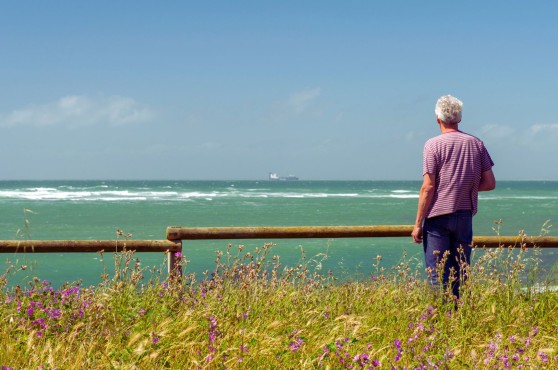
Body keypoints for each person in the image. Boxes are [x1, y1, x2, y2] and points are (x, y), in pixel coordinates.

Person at [412, 95, 496, 300]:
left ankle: (441, 320)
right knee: (461, 272)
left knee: (437, 274)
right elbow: (489, 183)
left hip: (438, 217)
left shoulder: (432, 145)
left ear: (437, 119)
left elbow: (428, 187)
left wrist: (417, 223)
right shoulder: (476, 143)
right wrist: (463, 189)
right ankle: (459, 317)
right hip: (465, 215)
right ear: (459, 118)